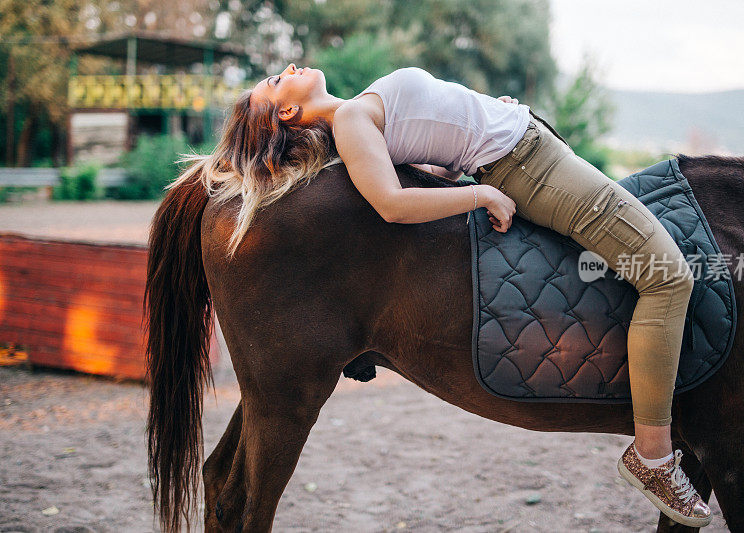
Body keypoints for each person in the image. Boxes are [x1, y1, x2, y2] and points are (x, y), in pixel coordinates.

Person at [174, 63, 711, 527]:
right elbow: (391, 203)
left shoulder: (360, 116)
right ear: (286, 115)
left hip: (522, 146)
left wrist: (485, 117)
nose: (289, 69)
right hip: (529, 163)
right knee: (668, 275)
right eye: (275, 81)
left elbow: (431, 156)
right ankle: (654, 453)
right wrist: (479, 193)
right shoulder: (353, 122)